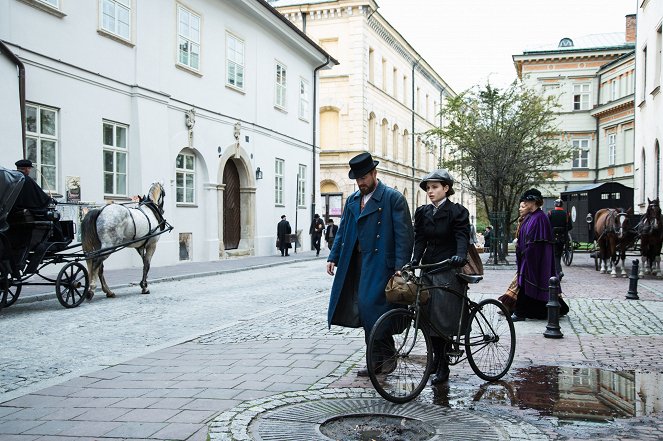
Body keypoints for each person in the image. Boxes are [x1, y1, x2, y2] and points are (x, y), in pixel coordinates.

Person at [326, 152, 414, 377]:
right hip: (355, 263)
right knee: (365, 312)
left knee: (372, 310)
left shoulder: (392, 198)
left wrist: (401, 266)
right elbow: (344, 231)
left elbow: (404, 235)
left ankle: (383, 357)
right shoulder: (354, 200)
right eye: (357, 179)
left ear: (375, 173)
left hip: (381, 264)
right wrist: (333, 256)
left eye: (364, 177)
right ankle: (378, 359)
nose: (361, 182)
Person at [410, 169, 470, 384]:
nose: (430, 191)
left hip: (448, 267)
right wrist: (414, 260)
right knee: (425, 314)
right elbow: (420, 239)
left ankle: (443, 364)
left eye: (435, 187)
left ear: (446, 188)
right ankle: (435, 357)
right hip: (429, 267)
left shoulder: (457, 212)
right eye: (428, 188)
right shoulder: (423, 212)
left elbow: (462, 236)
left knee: (442, 317)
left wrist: (460, 256)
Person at [512, 189, 568, 321]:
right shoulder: (531, 217)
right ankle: (527, 312)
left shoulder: (540, 218)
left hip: (534, 259)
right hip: (527, 257)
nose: (524, 203)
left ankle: (520, 313)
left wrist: (527, 254)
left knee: (528, 283)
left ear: (534, 202)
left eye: (527, 201)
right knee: (524, 284)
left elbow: (537, 243)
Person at [547, 198, 572, 280]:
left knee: (555, 256)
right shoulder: (566, 214)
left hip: (552, 238)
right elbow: (570, 227)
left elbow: (547, 225)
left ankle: (558, 272)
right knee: (558, 255)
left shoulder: (550, 213)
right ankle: (557, 271)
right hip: (562, 238)